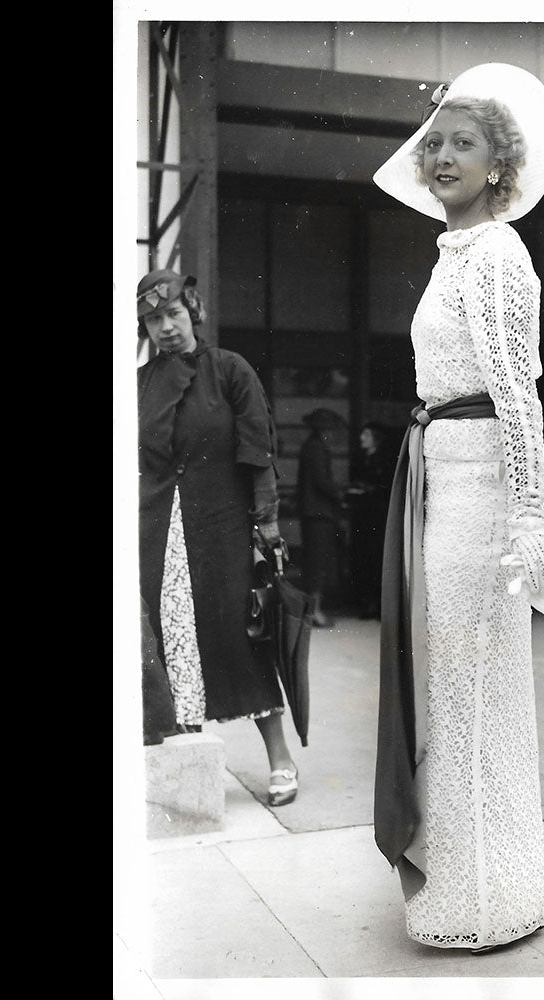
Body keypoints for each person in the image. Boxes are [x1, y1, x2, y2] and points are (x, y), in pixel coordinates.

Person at [371, 63, 544, 953]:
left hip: (482, 496)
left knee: (472, 691)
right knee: (449, 691)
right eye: (434, 142)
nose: (442, 154)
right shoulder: (454, 255)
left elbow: (517, 393)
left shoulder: (497, 255)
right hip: (438, 483)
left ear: (499, 165)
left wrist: (529, 515)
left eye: (464, 142)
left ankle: (490, 896)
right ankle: (467, 881)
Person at [136, 269, 299, 807]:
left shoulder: (229, 370)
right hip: (158, 534)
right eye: (153, 319)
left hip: (222, 530)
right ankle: (185, 767)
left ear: (194, 312)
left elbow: (257, 451)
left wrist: (268, 524)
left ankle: (280, 760)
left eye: (173, 315)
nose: (165, 327)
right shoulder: (137, 386)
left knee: (239, 638)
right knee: (169, 645)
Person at [297, 408, 344, 627]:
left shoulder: (311, 446)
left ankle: (312, 611)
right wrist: (340, 493)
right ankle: (314, 612)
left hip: (313, 512)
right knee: (317, 564)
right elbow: (322, 482)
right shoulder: (316, 448)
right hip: (318, 512)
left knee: (315, 562)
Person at [345, 422, 393, 619]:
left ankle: (378, 605)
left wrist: (369, 490)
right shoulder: (359, 459)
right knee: (362, 558)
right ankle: (365, 603)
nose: (361, 438)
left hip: (377, 516)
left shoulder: (384, 460)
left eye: (366, 435)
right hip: (362, 516)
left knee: (376, 559)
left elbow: (386, 488)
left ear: (375, 438)